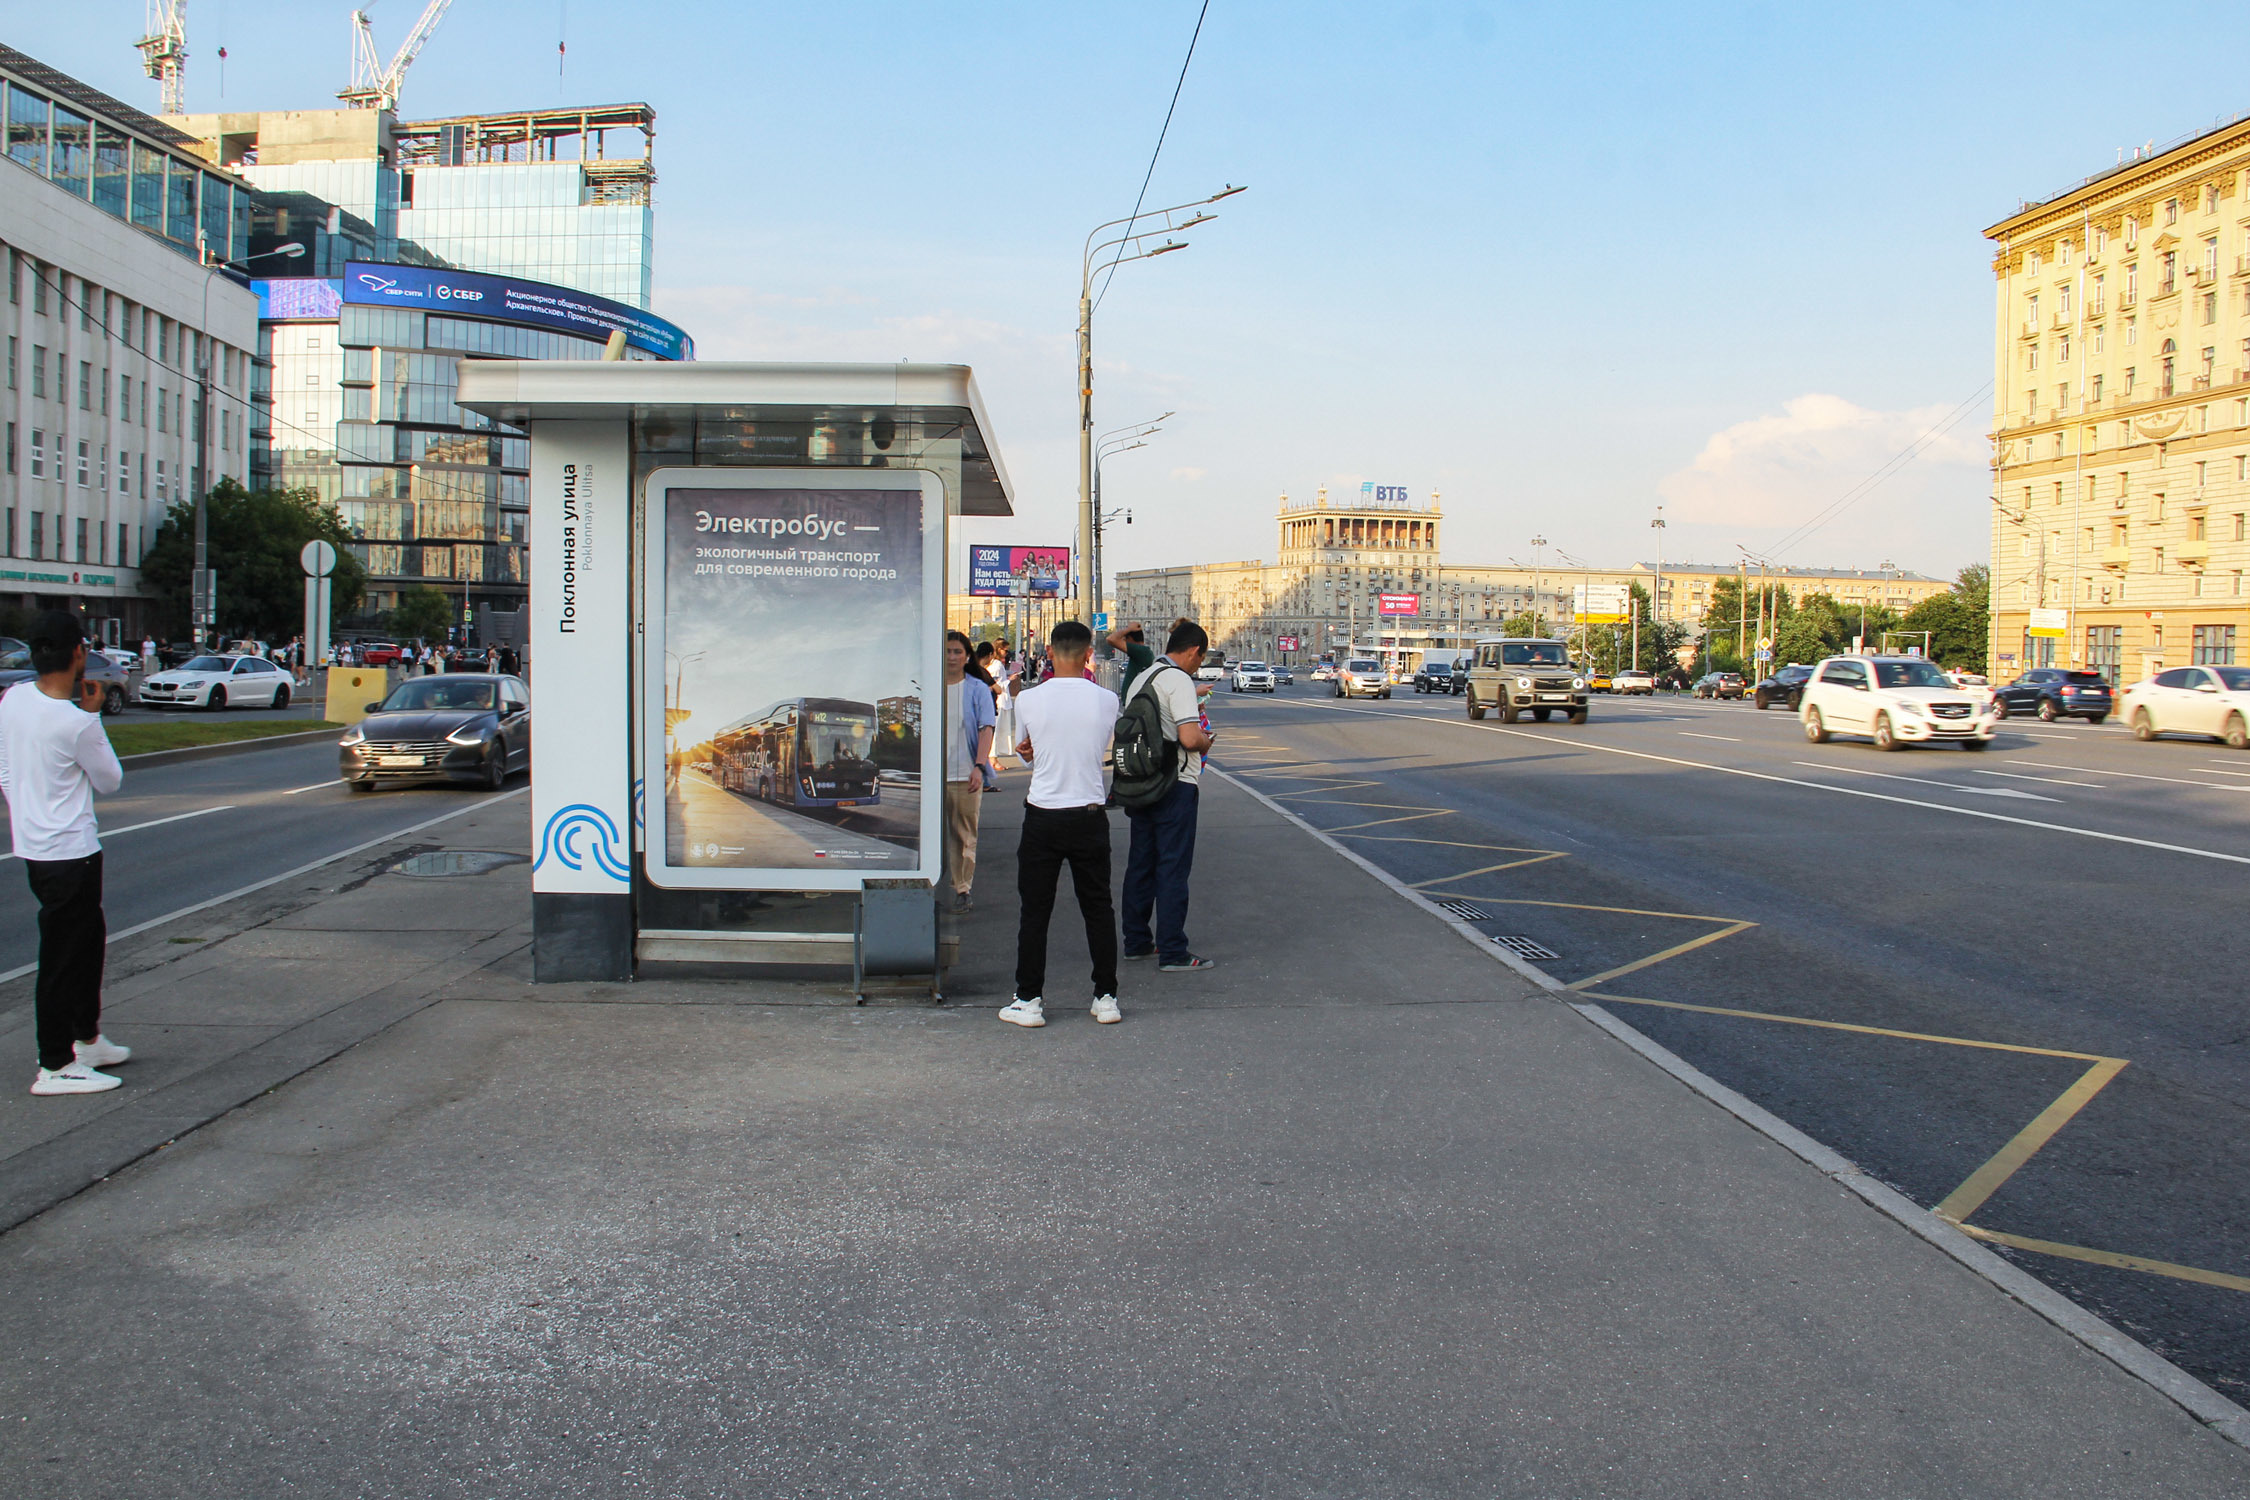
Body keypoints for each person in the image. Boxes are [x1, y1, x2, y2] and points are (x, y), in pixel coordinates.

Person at [0, 613, 128, 1095]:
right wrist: (92, 717)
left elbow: (5, 769)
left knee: (86, 943)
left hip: (37, 846)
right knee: (63, 957)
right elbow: (110, 780)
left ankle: (87, 1038)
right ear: (78, 654)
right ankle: (55, 1064)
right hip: (72, 851)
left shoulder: (13, 700)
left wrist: (28, 815)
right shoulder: (76, 723)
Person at [1001, 620, 1121, 1028]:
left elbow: (1026, 754)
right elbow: (1089, 747)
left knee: (1035, 911)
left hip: (1043, 815)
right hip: (1089, 814)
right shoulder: (1107, 700)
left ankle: (1029, 999)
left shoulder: (1029, 700)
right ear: (1089, 654)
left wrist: (1032, 751)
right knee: (1098, 908)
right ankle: (1106, 997)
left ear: (1049, 653)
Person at [1120, 619, 1216, 972]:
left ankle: (1137, 941)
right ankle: (1174, 951)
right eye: (1199, 659)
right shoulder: (1178, 679)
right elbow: (1190, 739)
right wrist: (1208, 741)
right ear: (1193, 651)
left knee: (1141, 863)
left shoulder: (1143, 677)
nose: (1198, 666)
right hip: (1175, 785)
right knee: (1173, 866)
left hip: (1142, 784)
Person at [942, 630, 998, 914]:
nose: (952, 657)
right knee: (933, 835)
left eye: (957, 652)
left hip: (965, 775)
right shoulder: (930, 686)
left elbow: (986, 728)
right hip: (934, 779)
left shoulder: (976, 689)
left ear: (966, 657)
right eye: (947, 651)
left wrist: (979, 766)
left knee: (964, 835)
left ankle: (963, 888)